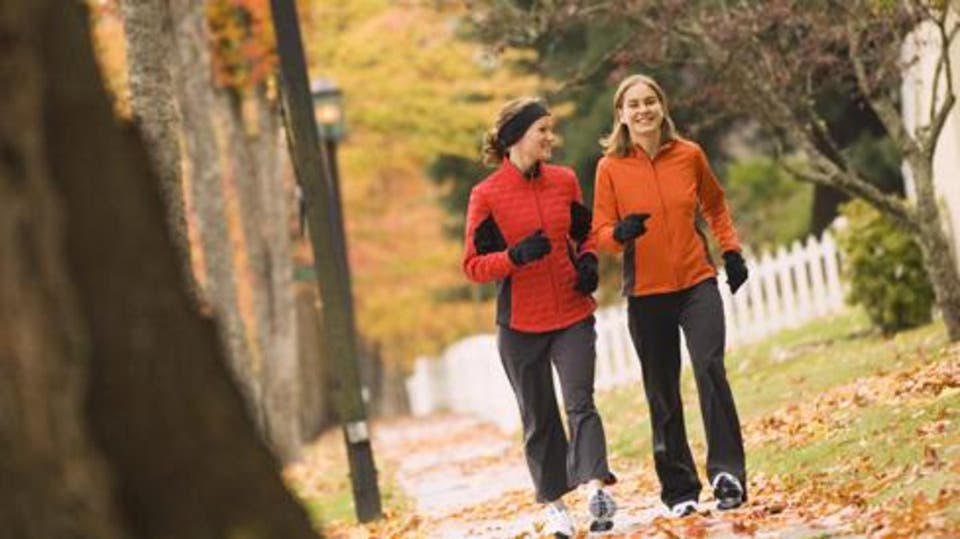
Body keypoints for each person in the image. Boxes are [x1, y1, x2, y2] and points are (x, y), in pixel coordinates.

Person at [591, 74, 749, 518]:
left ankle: (727, 475)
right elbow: (599, 232)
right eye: (633, 104)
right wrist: (619, 234)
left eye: (649, 102)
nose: (642, 110)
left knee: (710, 368)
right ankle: (680, 490)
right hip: (647, 292)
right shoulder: (610, 169)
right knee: (662, 392)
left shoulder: (689, 154)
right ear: (621, 115)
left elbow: (715, 205)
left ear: (662, 106)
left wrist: (731, 251)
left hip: (697, 282)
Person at [462, 97, 617, 536]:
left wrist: (588, 263)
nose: (551, 138)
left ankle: (594, 489)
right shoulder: (486, 196)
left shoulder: (565, 181)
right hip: (519, 325)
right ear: (515, 138)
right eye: (542, 131)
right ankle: (554, 506)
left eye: (551, 129)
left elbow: (584, 233)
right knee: (539, 417)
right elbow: (473, 264)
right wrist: (513, 257)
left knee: (580, 403)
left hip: (570, 313)